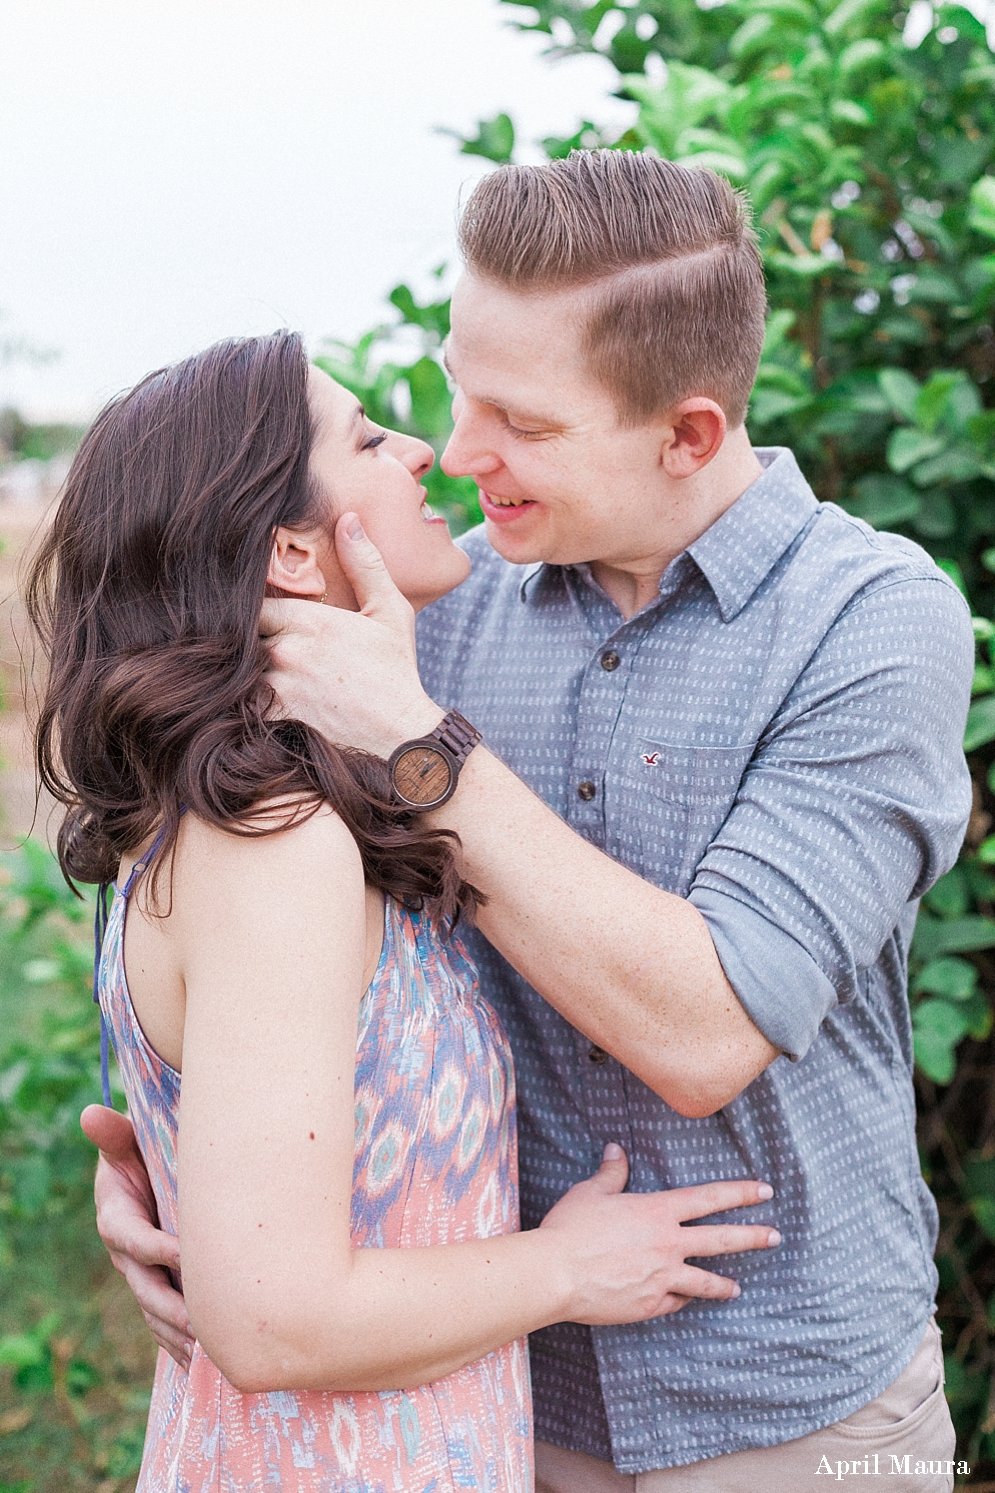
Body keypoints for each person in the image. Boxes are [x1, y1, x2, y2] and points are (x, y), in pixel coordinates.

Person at [93, 153, 973, 1490]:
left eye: (521, 419)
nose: (457, 451)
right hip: (479, 1397)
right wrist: (170, 1181)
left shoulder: (869, 622)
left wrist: (419, 743)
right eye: (456, 388)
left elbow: (701, 1031)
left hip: (787, 1408)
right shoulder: (420, 607)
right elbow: (218, 878)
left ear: (684, 433)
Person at [32, 330, 779, 1492]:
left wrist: (166, 1177)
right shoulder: (270, 842)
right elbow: (273, 1316)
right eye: (372, 439)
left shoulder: (283, 796)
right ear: (289, 548)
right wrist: (566, 1267)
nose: (425, 448)